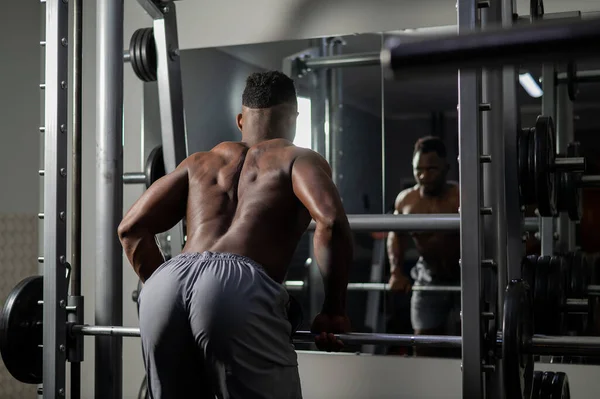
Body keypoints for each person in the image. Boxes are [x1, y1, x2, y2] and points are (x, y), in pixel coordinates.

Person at [118, 71, 353, 399]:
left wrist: (172, 291)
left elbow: (130, 229)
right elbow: (330, 221)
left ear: (242, 119)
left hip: (165, 283)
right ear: (294, 119)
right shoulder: (297, 158)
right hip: (236, 285)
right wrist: (333, 310)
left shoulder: (199, 161)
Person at [386, 136, 460, 357]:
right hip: (429, 276)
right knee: (423, 344)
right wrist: (396, 272)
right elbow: (395, 235)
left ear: (446, 168)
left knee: (472, 342)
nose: (424, 176)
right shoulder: (406, 201)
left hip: (466, 275)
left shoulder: (461, 197)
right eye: (419, 169)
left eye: (432, 169)